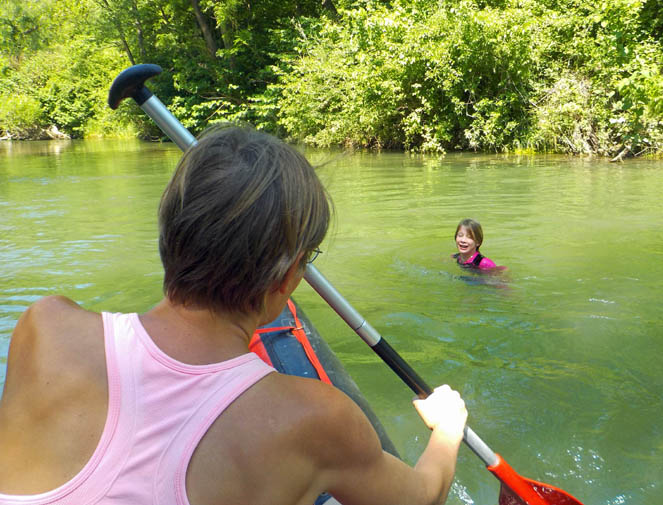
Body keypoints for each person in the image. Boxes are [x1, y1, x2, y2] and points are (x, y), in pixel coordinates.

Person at [0, 124, 467, 505]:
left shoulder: (45, 327)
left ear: (169, 231)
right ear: (287, 280)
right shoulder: (316, 419)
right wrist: (447, 429)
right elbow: (421, 498)